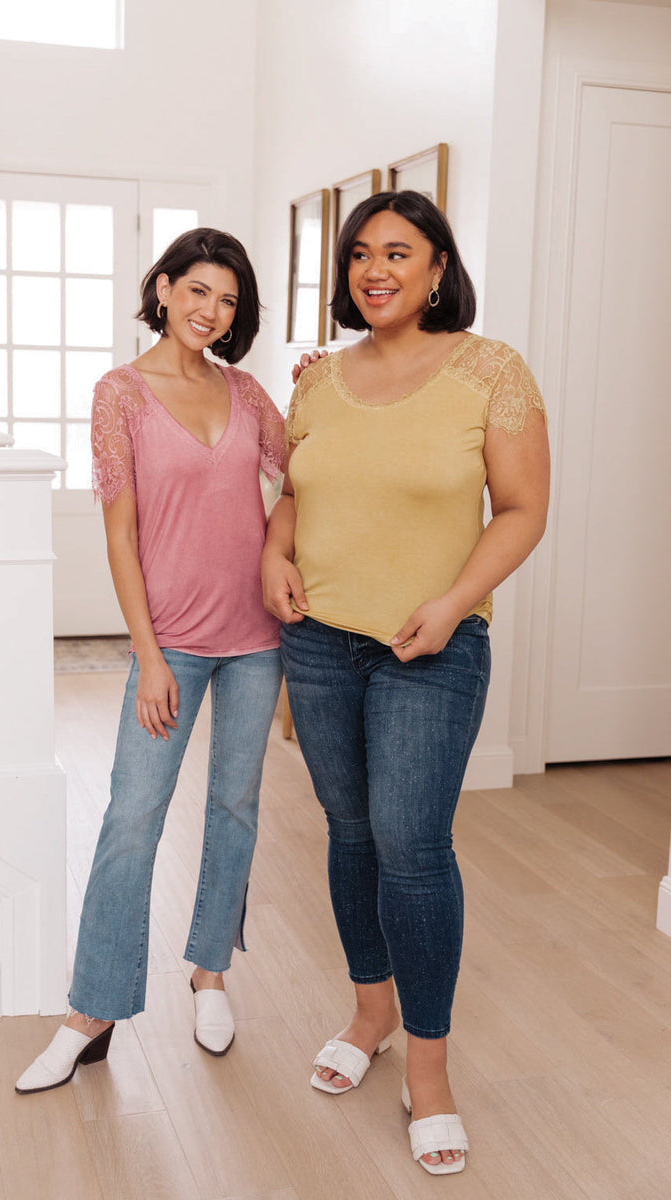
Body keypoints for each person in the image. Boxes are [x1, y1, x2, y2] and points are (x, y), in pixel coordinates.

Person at [262, 190, 550, 1176]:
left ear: (436, 268)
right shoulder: (316, 382)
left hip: (431, 647)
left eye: (396, 251)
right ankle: (368, 1010)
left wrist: (452, 599)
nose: (372, 268)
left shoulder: (491, 371)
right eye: (357, 255)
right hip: (320, 644)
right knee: (349, 835)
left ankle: (427, 1071)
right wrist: (273, 556)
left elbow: (518, 509)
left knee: (412, 847)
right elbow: (294, 496)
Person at [16, 228, 284, 1094]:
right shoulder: (120, 394)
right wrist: (149, 653)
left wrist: (322, 387)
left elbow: (307, 472)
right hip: (171, 641)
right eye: (199, 292)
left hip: (258, 639)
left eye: (229, 300)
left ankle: (210, 973)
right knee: (132, 819)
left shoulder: (248, 393)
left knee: (235, 808)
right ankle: (89, 1012)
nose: (212, 312)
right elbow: (120, 534)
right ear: (163, 288)